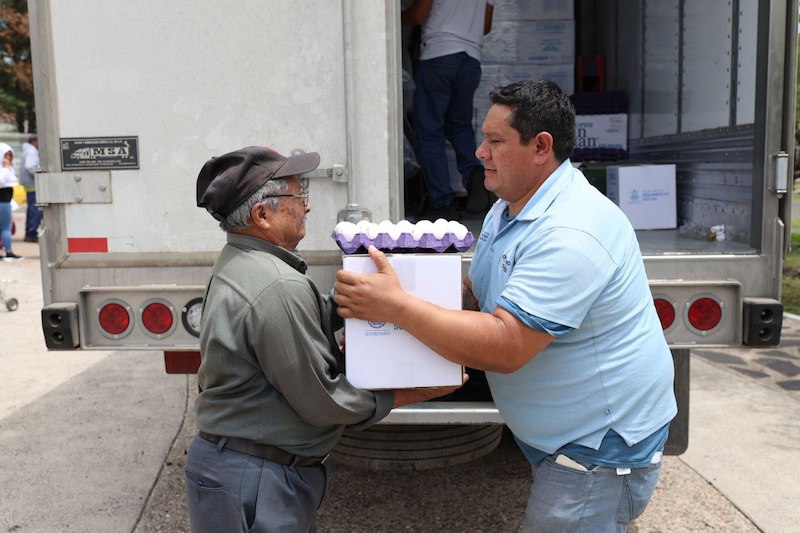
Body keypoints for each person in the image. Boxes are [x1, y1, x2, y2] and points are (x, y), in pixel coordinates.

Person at [333, 80, 677, 531]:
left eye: (495, 141)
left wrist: (398, 309)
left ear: (541, 147)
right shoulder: (510, 205)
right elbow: (480, 295)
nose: (479, 152)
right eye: (483, 137)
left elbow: (507, 346)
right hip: (561, 439)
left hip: (595, 451)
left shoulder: (572, 233)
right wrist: (406, 297)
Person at [187, 145, 462, 533]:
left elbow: (310, 312)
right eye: (299, 196)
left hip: (241, 467)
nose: (307, 207)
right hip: (254, 478)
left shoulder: (241, 260)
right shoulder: (277, 285)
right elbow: (323, 401)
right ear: (262, 215)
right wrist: (419, 391)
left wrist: (380, 299)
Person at [402, 0, 494, 218]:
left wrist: (386, 20)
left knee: (429, 130)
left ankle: (442, 202)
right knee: (459, 126)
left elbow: (418, 15)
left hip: (439, 56)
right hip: (471, 61)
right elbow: (486, 25)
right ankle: (475, 179)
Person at [0, 143, 22, 261]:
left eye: (9, 156)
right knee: (6, 228)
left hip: (6, 201)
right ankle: (8, 252)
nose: (8, 159)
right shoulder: (3, 169)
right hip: (3, 202)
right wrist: (5, 168)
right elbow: (2, 181)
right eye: (6, 156)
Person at [19, 136, 40, 243]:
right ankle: (31, 233)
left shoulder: (27, 151)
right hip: (33, 185)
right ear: (34, 142)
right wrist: (39, 174)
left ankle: (29, 232)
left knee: (31, 209)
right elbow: (30, 166)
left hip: (29, 185)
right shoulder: (32, 151)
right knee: (35, 210)